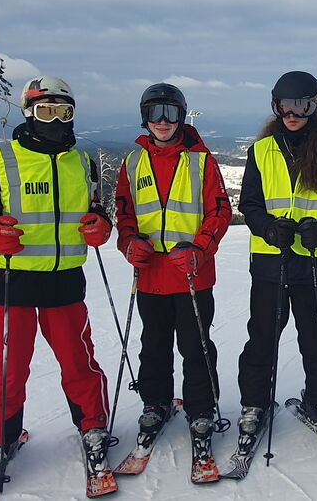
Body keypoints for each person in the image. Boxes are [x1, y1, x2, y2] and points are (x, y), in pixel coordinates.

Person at [0, 76, 114, 496]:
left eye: (64, 112)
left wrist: (102, 225)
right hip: (9, 282)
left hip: (64, 281)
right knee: (8, 369)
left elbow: (96, 209)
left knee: (79, 362)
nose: (56, 120)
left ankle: (93, 427)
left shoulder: (81, 162)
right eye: (46, 111)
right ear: (29, 112)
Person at [114, 82, 232, 465]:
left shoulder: (201, 160)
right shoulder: (132, 163)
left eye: (171, 113)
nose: (163, 122)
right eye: (155, 113)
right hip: (150, 273)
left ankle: (201, 411)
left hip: (192, 273)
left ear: (182, 116)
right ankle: (156, 402)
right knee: (154, 343)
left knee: (196, 345)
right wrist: (129, 243)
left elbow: (220, 210)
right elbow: (125, 214)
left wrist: (200, 249)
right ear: (145, 118)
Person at [234, 70, 317, 452]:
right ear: (276, 106)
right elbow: (249, 203)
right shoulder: (261, 151)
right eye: (286, 105)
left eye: (302, 104)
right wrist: (268, 228)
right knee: (263, 337)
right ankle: (254, 403)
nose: (293, 112)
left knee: (316, 337)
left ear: (315, 105)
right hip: (270, 261)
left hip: (313, 262)